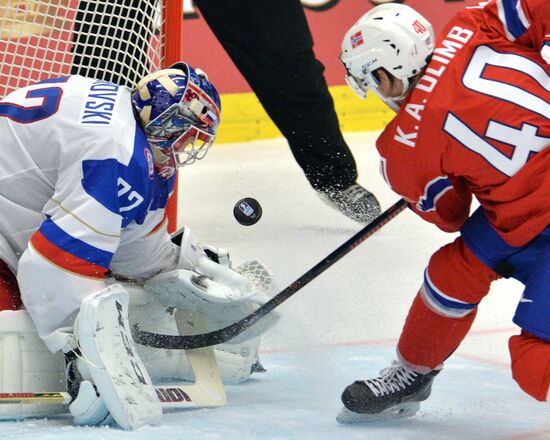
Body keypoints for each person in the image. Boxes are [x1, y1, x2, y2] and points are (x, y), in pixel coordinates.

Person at [0, 62, 275, 428]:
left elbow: (136, 250)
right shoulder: (114, 150)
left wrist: (189, 268)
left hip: (13, 210)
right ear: (168, 122)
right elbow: (54, 264)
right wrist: (79, 353)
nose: (190, 146)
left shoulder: (138, 143)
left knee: (99, 289)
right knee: (21, 319)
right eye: (189, 134)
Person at [336, 1, 550, 422]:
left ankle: (412, 372)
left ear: (385, 75)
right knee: (454, 272)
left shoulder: (400, 150)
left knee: (534, 361)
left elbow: (451, 214)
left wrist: (440, 167)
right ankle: (412, 374)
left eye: (374, 83)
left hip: (530, 213)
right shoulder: (474, 22)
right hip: (523, 211)